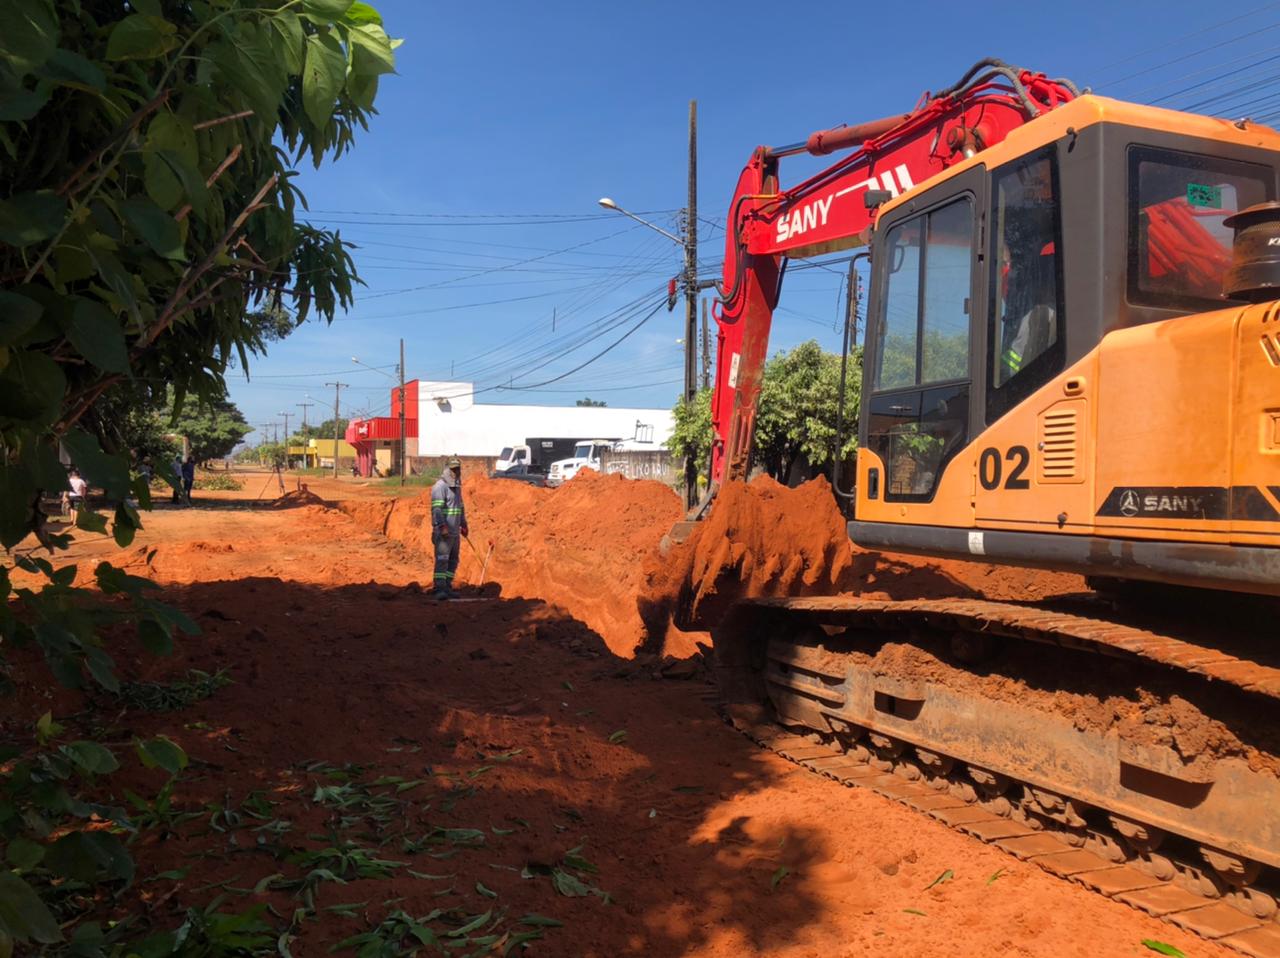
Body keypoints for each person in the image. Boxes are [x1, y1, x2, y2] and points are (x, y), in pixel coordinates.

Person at [430, 456, 468, 600]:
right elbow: (437, 509)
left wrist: (464, 524)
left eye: (457, 469)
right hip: (444, 533)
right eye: (453, 469)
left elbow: (460, 507)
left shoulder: (457, 487)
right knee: (442, 560)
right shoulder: (440, 487)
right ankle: (439, 588)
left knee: (453, 561)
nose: (455, 472)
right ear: (447, 469)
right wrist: (442, 526)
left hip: (455, 532)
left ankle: (447, 586)